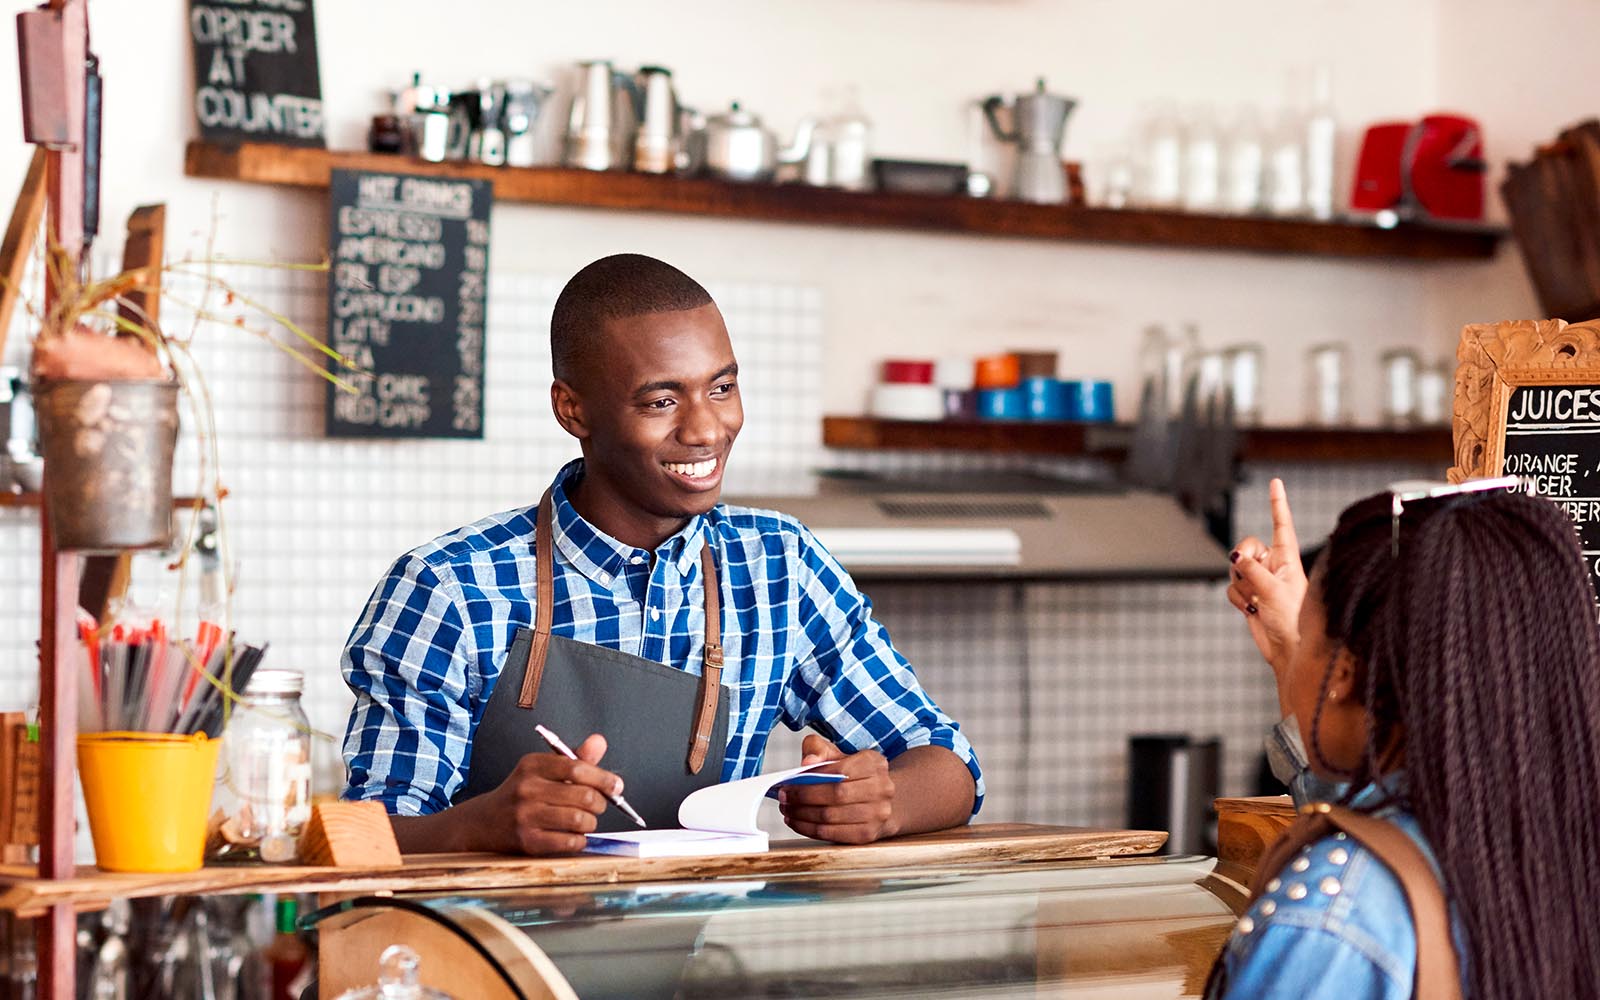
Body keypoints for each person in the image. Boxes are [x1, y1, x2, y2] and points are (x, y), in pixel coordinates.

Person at [340, 253, 982, 856]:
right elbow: (366, 835)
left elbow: (948, 763)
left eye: (722, 387)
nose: (705, 429)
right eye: (662, 401)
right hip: (491, 961)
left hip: (696, 962)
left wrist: (885, 802)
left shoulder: (778, 566)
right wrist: (478, 825)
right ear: (572, 408)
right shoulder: (449, 587)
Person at [1209, 478, 1600, 999]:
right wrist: (1296, 654)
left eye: (1308, 632)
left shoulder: (1330, 917)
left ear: (1345, 674)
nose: (1296, 650)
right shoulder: (1556, 855)